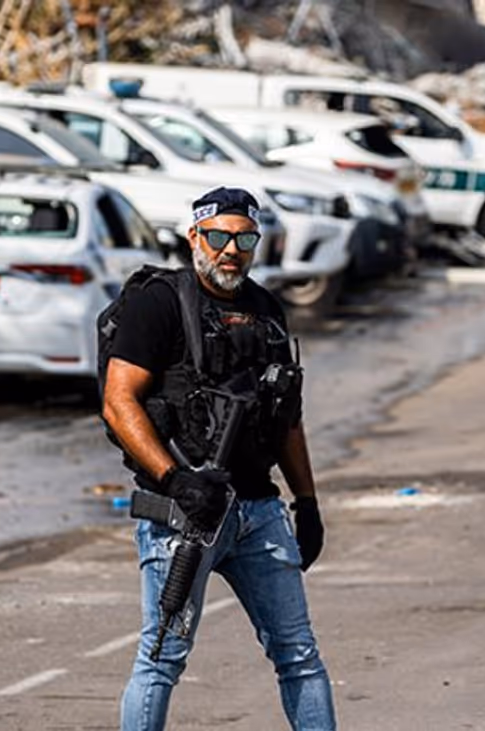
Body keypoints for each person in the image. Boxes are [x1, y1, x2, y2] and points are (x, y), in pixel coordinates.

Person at [101, 186, 337, 731]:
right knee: (161, 658)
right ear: (195, 237)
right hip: (184, 517)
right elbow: (119, 402)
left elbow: (288, 420)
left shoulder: (265, 310)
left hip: (258, 511)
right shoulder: (158, 304)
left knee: (299, 655)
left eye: (244, 238)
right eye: (218, 236)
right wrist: (175, 479)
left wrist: (307, 502)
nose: (231, 249)